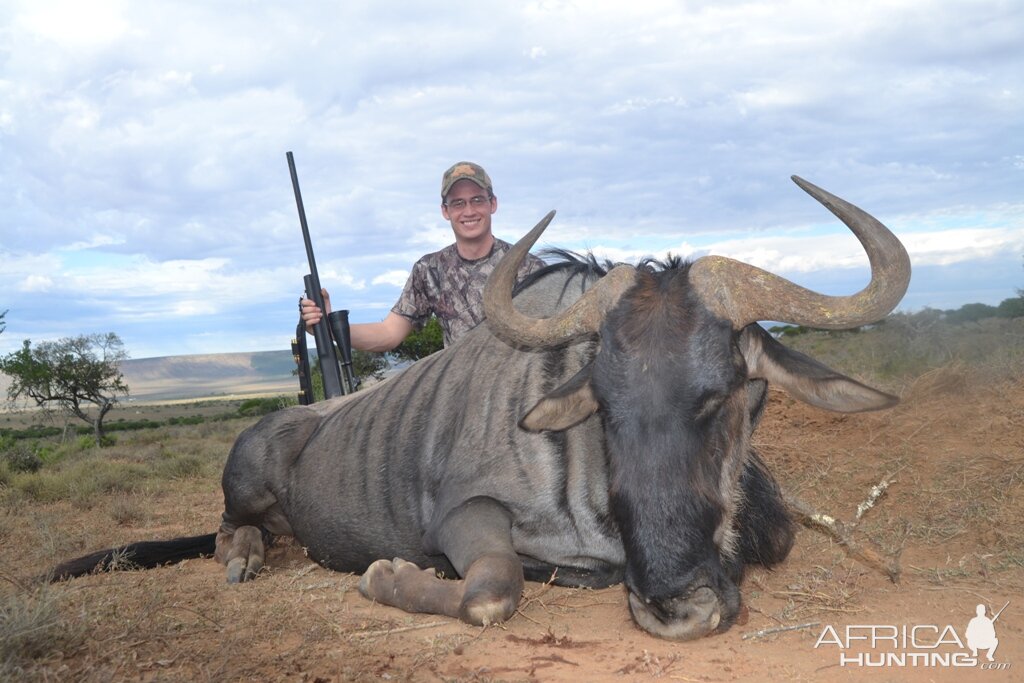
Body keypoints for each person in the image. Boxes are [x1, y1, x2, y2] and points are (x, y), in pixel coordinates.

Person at [300, 161, 544, 351]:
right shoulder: (430, 270)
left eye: (477, 200)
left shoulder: (530, 268)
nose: (468, 211)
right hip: (462, 399)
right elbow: (388, 334)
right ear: (445, 211)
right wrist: (331, 327)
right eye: (458, 203)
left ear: (493, 204)